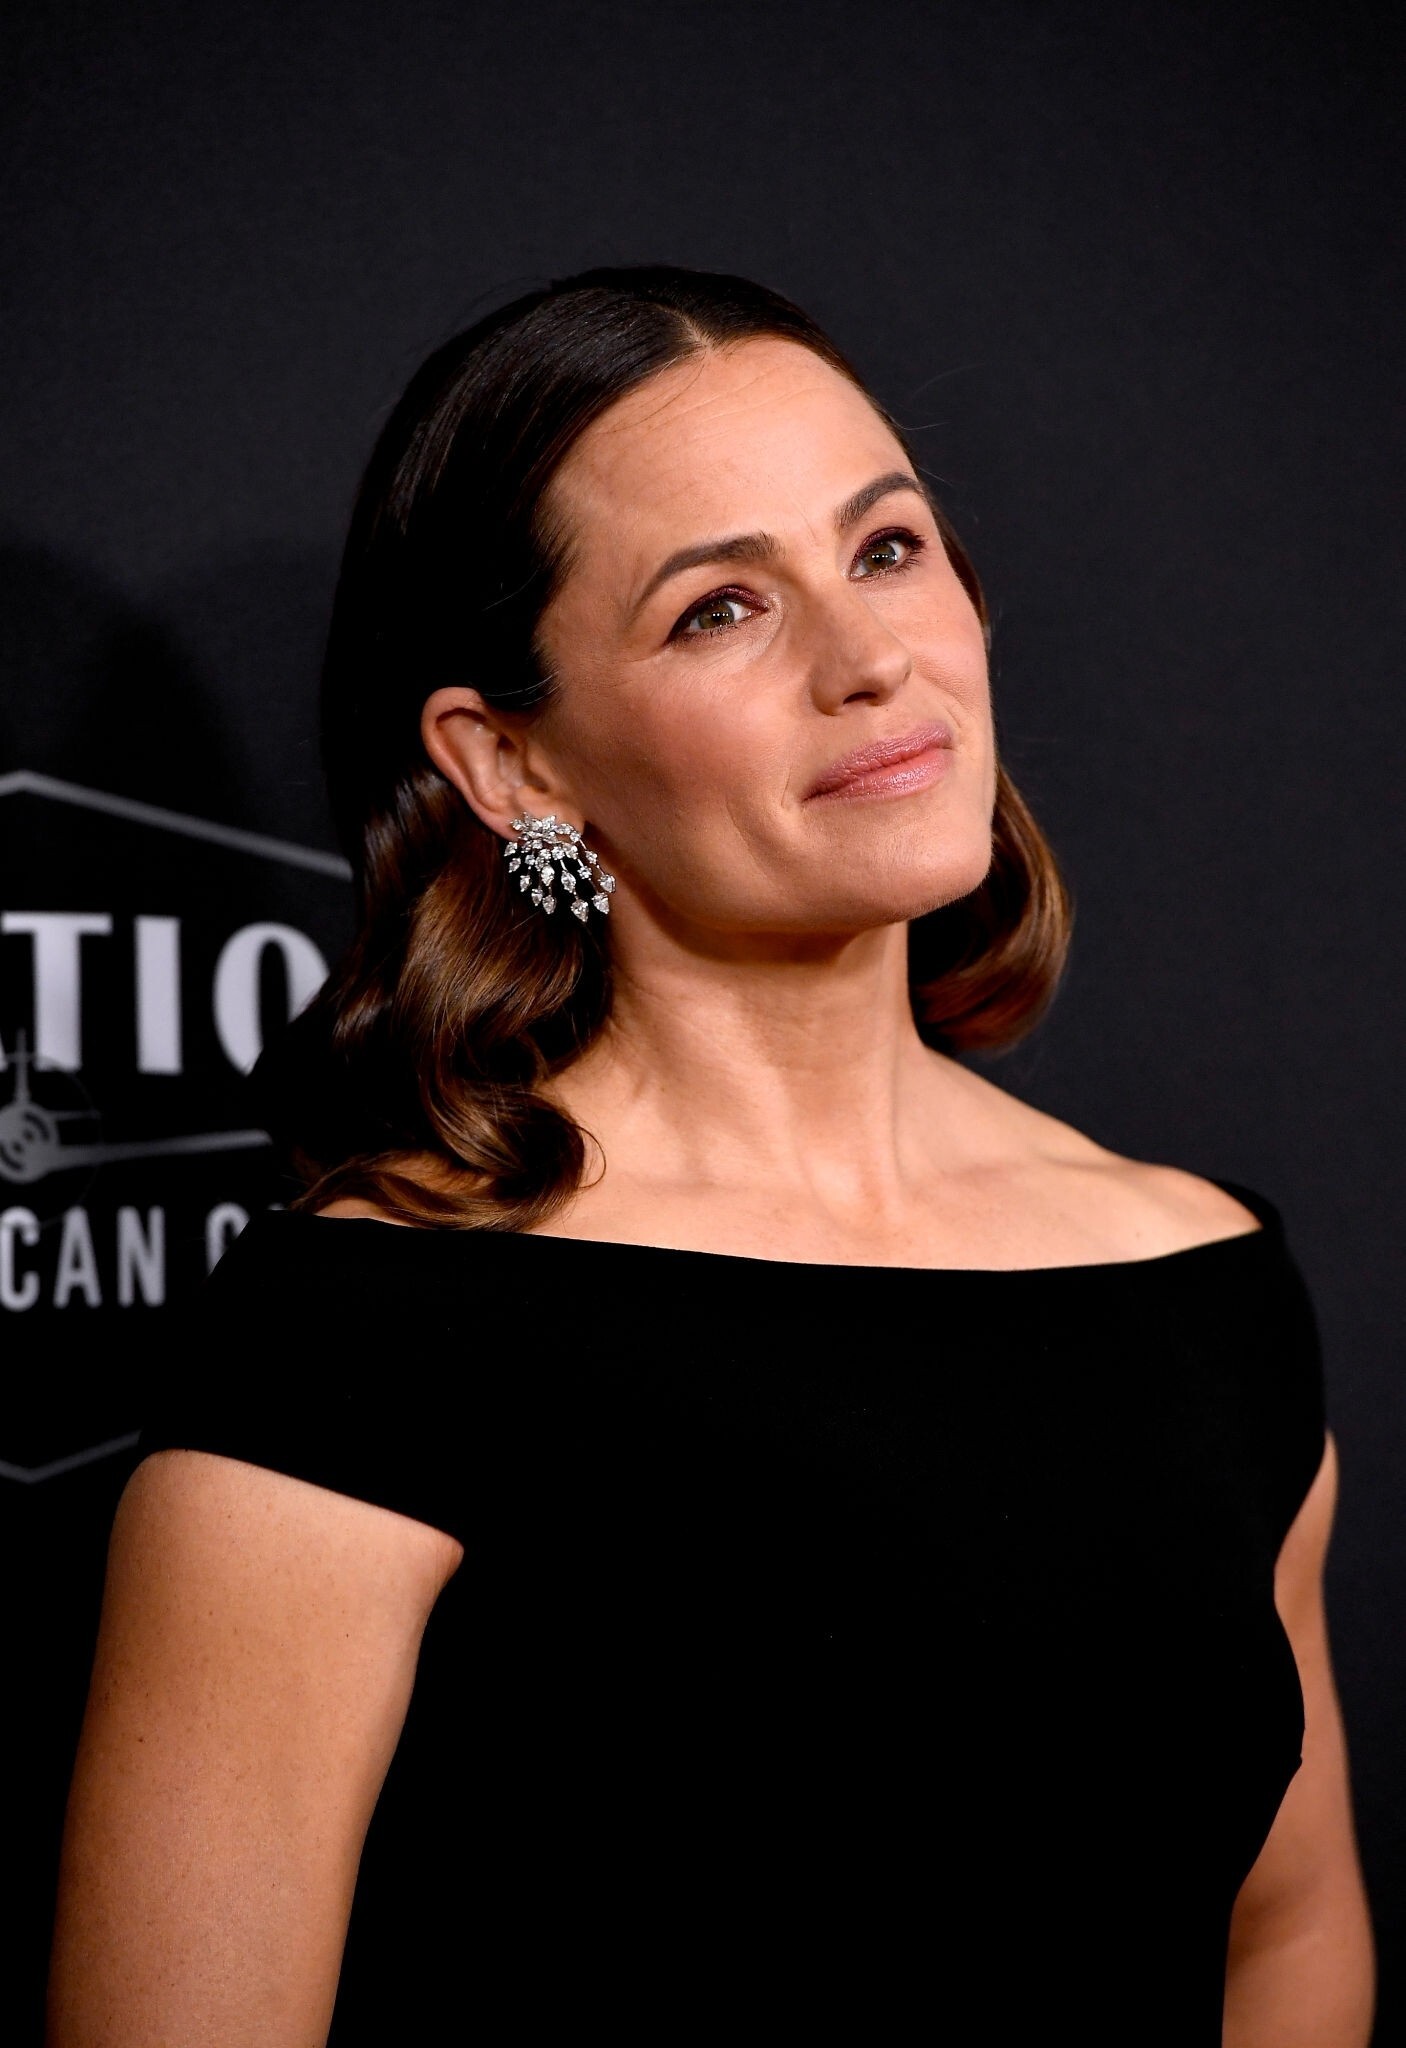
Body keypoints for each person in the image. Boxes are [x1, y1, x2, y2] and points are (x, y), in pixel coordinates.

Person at [48, 267, 1373, 2045]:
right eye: (720, 608)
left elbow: (1283, 1935)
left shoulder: (1201, 1282)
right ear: (511, 762)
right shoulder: (366, 1339)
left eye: (886, 547)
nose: (869, 658)